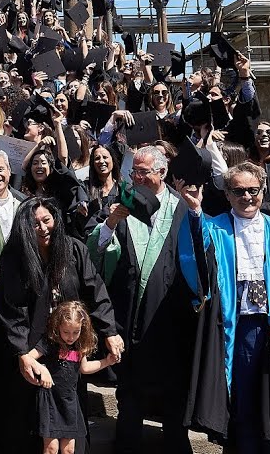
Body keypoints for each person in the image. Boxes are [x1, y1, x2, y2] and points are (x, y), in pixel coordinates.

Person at [174, 162, 270, 453]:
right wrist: (195, 211)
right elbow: (196, 262)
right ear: (227, 194)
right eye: (238, 191)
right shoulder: (213, 227)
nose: (247, 197)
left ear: (263, 190)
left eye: (253, 190)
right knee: (243, 400)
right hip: (237, 327)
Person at [0, 196, 123, 454]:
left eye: (47, 220)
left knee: (69, 437)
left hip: (69, 355)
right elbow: (12, 310)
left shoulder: (74, 250)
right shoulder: (14, 260)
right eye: (34, 224)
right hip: (33, 355)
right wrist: (23, 354)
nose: (42, 228)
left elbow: (95, 292)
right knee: (33, 431)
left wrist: (109, 331)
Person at [94, 144, 197, 454]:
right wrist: (110, 222)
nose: (135, 177)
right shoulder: (120, 203)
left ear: (162, 172)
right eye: (133, 171)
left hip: (170, 317)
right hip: (130, 314)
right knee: (130, 393)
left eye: (142, 172)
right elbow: (96, 253)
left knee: (173, 392)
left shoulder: (181, 207)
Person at [24, 300, 121, 454]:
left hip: (69, 401)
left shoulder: (79, 346)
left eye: (75, 332)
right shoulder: (49, 343)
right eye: (66, 332)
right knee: (51, 448)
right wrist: (42, 369)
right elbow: (28, 358)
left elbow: (85, 368)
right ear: (58, 327)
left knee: (69, 449)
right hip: (51, 400)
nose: (70, 337)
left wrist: (106, 362)